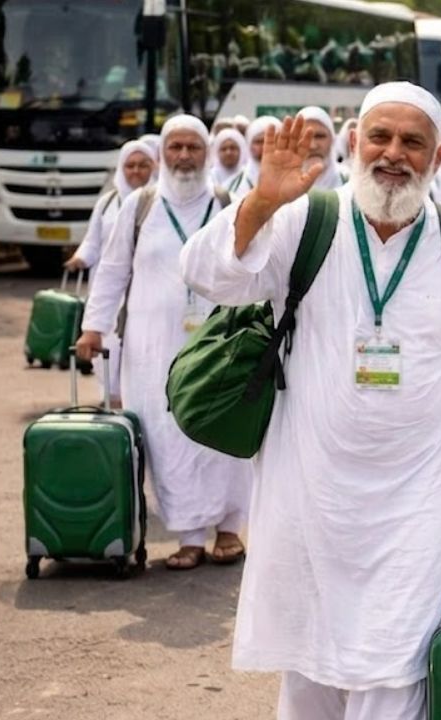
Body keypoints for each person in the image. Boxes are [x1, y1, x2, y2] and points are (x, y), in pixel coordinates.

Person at [180, 83, 441, 719]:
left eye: (413, 142)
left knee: (399, 660)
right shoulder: (305, 221)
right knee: (310, 661)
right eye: (380, 137)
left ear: (438, 158)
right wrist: (261, 202)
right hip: (309, 484)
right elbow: (207, 275)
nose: (393, 154)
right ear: (354, 143)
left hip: (418, 494)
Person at [75, 116, 252, 571]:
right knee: (165, 435)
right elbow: (113, 270)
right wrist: (94, 327)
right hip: (151, 348)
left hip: (218, 346)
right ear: (162, 154)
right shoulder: (140, 206)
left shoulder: (227, 204)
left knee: (221, 431)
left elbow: (253, 266)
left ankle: (229, 529)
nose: (184, 156)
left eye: (193, 147)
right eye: (175, 147)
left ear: (207, 152)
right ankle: (189, 536)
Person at [64, 140, 156, 406]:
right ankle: (114, 404)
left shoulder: (159, 203)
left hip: (144, 293)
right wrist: (80, 258)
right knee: (110, 352)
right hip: (110, 292)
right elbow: (92, 241)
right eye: (130, 165)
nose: (136, 171)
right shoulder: (107, 203)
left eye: (143, 165)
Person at [228, 116, 278, 200]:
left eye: (271, 141)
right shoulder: (236, 183)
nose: (265, 146)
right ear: (249, 145)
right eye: (259, 142)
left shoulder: (294, 179)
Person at [296, 106, 346, 189]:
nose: (312, 146)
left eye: (319, 136)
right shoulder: (283, 186)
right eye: (304, 138)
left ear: (332, 139)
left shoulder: (350, 181)